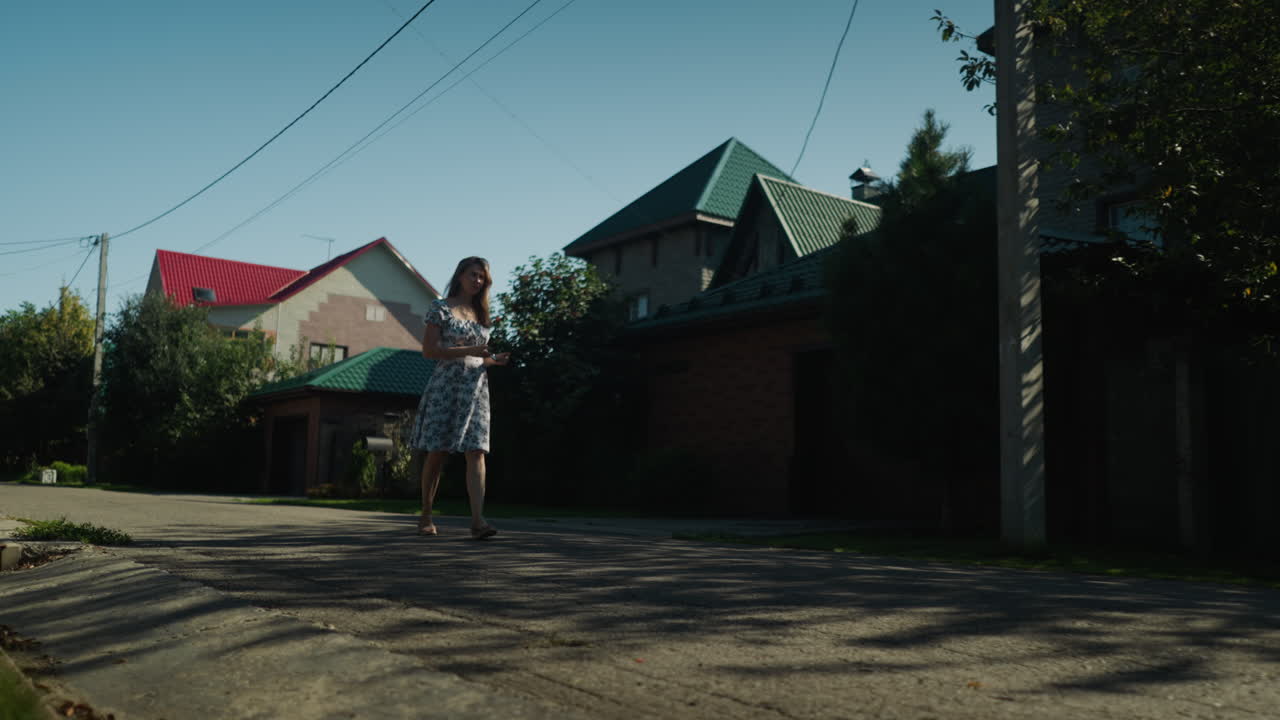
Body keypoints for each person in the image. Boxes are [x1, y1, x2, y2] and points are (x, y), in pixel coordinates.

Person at [408, 257, 510, 540]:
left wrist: (493, 360)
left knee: (477, 451)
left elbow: (480, 357)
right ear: (460, 275)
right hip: (446, 388)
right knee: (437, 452)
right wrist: (469, 351)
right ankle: (426, 515)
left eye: (483, 278)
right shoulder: (440, 308)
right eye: (474, 275)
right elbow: (429, 351)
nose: (478, 281)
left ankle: (478, 521)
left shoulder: (482, 314)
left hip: (476, 390)